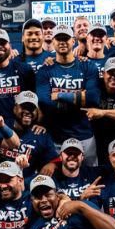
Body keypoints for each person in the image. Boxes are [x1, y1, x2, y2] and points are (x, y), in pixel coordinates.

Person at [34, 24, 102, 164]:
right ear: (53, 42)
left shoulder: (88, 66)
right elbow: (45, 101)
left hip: (84, 135)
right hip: (56, 137)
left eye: (66, 38)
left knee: (90, 173)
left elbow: (93, 98)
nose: (62, 42)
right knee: (57, 175)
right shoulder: (44, 70)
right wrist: (79, 99)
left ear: (73, 41)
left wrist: (60, 96)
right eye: (59, 39)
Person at [0, 91, 59, 181]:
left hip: (26, 184)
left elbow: (55, 159)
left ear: (37, 112)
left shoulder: (40, 134)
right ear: (15, 108)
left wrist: (52, 165)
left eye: (32, 108)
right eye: (24, 107)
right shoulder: (1, 126)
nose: (27, 111)